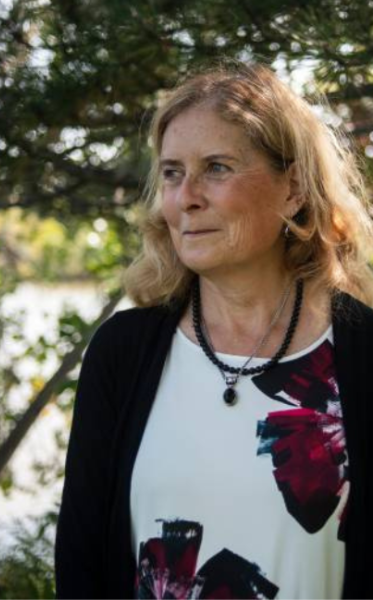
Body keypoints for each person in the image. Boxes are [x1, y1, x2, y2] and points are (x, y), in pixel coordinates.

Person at [55, 61, 373, 599]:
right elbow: (81, 560)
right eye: (173, 172)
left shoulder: (364, 351)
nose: (187, 197)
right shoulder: (123, 352)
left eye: (217, 168)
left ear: (293, 188)